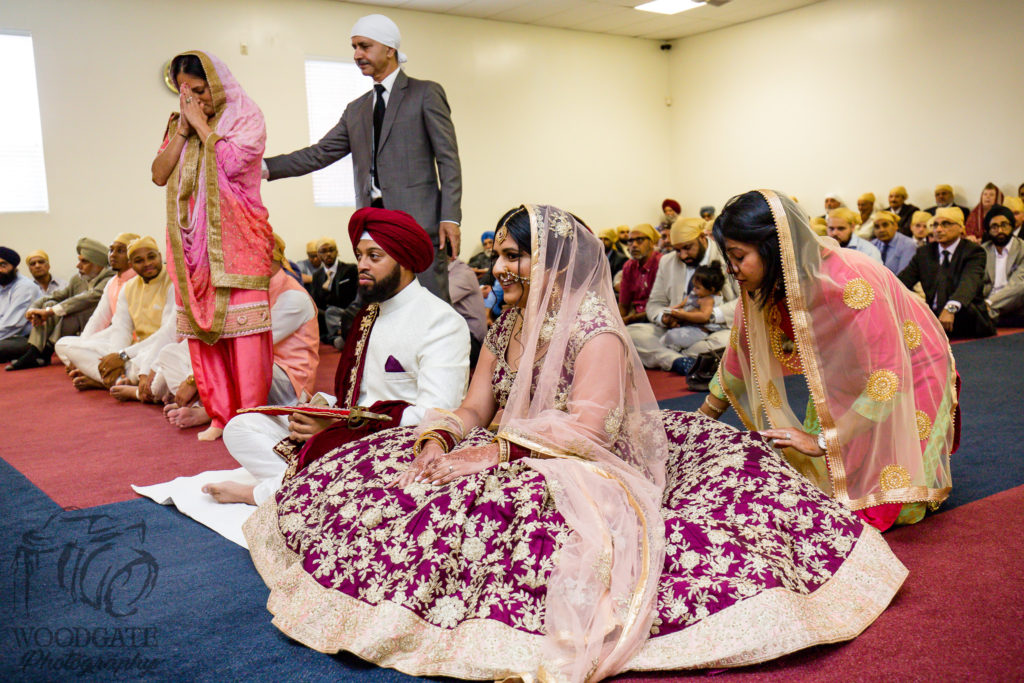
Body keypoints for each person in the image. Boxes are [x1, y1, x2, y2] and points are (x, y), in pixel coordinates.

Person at [242, 203, 907, 681]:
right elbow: (478, 402)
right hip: (515, 443)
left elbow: (588, 431)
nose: (497, 265)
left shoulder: (598, 332)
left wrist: (496, 452)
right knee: (392, 474)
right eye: (497, 252)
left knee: (505, 518)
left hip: (589, 464)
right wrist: (443, 432)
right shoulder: (506, 325)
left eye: (511, 253)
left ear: (551, 258)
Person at [702, 190, 957, 532]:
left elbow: (887, 377)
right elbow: (739, 358)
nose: (732, 270)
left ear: (772, 247)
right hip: (841, 378)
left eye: (738, 256)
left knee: (887, 503)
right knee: (822, 491)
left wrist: (822, 441)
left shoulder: (853, 283)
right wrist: (700, 421)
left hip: (911, 367)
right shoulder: (762, 287)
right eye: (728, 258)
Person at [210, 207, 470, 506]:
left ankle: (271, 493)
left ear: (405, 260)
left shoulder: (440, 321)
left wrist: (343, 427)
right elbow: (355, 396)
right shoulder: (368, 315)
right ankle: (311, 486)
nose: (362, 265)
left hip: (397, 444)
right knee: (241, 427)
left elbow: (438, 415)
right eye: (359, 256)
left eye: (374, 256)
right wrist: (324, 408)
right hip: (351, 428)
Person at [263, 14, 461, 302]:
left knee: (432, 303)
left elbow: (448, 158)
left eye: (364, 46)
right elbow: (320, 153)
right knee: (380, 305)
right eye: (354, 47)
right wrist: (264, 167)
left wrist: (450, 216)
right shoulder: (356, 110)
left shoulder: (425, 93)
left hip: (420, 222)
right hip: (372, 225)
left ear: (389, 49)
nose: (357, 55)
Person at [151, 51, 275, 441]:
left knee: (245, 336)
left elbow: (235, 163)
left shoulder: (245, 115)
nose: (193, 100)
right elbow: (158, 174)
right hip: (192, 244)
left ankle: (251, 418)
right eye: (184, 92)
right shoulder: (179, 124)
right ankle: (220, 416)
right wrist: (185, 130)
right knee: (205, 335)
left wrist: (203, 125)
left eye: (200, 91)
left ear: (218, 84)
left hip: (240, 238)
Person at [162, 234, 320, 427]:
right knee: (172, 353)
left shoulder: (294, 298)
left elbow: (251, 346)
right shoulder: (253, 290)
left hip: (287, 384)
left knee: (248, 359)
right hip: (250, 368)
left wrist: (194, 380)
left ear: (272, 257)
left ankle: (210, 411)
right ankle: (209, 406)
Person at [57, 237, 176, 397]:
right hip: (135, 350)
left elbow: (166, 334)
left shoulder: (173, 281)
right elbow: (121, 329)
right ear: (131, 264)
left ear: (160, 256)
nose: (147, 263)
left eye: (152, 257)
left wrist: (123, 356)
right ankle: (118, 380)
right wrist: (115, 360)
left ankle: (109, 381)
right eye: (139, 260)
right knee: (67, 346)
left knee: (159, 370)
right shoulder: (129, 288)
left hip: (158, 349)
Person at [628, 217, 737, 374]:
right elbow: (654, 303)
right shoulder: (667, 261)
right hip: (676, 329)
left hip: (715, 330)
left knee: (732, 341)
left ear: (702, 237)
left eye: (687, 248)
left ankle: (672, 357)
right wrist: (663, 317)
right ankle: (680, 361)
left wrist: (709, 315)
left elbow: (745, 301)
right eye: (677, 250)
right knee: (631, 334)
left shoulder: (726, 255)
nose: (683, 256)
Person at [6, 238, 113, 371]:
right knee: (49, 303)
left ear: (98, 264)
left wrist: (50, 312)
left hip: (101, 330)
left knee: (75, 309)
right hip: (76, 330)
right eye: (79, 260)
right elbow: (55, 296)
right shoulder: (78, 279)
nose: (78, 265)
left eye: (84, 261)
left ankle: (43, 352)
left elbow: (86, 299)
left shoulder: (110, 278)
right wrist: (34, 309)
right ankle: (37, 352)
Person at [54, 233, 139, 386]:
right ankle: (105, 375)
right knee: (63, 344)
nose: (112, 255)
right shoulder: (112, 282)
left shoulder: (138, 281)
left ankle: (105, 379)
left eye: (120, 251)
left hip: (136, 342)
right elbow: (99, 318)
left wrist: (113, 356)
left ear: (133, 255)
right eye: (111, 250)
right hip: (115, 337)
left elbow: (126, 328)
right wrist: (82, 346)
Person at [897, 208, 995, 339]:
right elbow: (902, 281)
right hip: (934, 321)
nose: (938, 229)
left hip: (967, 320)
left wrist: (950, 308)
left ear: (961, 228)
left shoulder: (974, 252)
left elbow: (968, 284)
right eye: (935, 225)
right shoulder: (924, 253)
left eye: (946, 224)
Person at [659, 261, 726, 357]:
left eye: (697, 287)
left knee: (672, 336)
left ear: (711, 290)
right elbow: (683, 303)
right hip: (687, 325)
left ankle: (675, 355)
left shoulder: (708, 300)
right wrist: (672, 310)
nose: (694, 290)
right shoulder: (696, 293)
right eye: (694, 286)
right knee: (665, 337)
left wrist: (682, 315)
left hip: (700, 330)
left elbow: (704, 317)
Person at [310, 237, 359, 343]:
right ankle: (337, 336)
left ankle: (335, 336)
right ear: (318, 255)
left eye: (331, 250)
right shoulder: (317, 275)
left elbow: (357, 296)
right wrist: (323, 290)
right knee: (315, 312)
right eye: (323, 251)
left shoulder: (350, 269)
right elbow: (315, 302)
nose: (328, 254)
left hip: (346, 312)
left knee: (332, 312)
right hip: (328, 316)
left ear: (336, 251)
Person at [982, 205, 1024, 324]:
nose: (1000, 230)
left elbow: (1019, 284)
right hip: (989, 299)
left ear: (1012, 226)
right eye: (994, 226)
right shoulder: (983, 251)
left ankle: (987, 313)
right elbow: (979, 283)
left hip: (1015, 301)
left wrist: (989, 302)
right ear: (988, 230)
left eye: (1004, 225)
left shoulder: (1022, 249)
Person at [0, 247, 41, 362]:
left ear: (14, 267)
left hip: (26, 338)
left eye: (3, 265)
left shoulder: (25, 287)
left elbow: (12, 325)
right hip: (5, 336)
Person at [447, 254, 487, 366]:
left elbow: (438, 301)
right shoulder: (448, 273)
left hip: (472, 339)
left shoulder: (462, 273)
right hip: (459, 334)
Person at [617, 223, 662, 324]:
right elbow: (624, 305)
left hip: (656, 318)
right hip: (635, 317)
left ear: (651, 243)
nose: (634, 245)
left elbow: (663, 305)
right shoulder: (629, 266)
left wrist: (630, 319)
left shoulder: (662, 263)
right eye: (630, 241)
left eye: (639, 240)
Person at [871, 210, 916, 274]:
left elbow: (903, 276)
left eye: (885, 225)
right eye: (877, 227)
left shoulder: (908, 245)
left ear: (895, 226)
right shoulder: (872, 245)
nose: (881, 230)